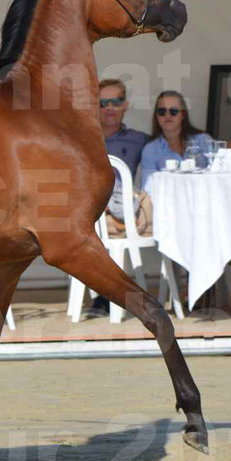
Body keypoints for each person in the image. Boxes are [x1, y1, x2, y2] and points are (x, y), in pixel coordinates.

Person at [91, 78, 149, 315]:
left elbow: (171, 148)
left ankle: (107, 295)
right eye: (103, 103)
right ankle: (103, 295)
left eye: (116, 101)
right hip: (88, 211)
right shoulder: (81, 135)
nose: (110, 108)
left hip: (122, 211)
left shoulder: (139, 139)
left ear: (125, 105)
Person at [140, 89, 212, 190]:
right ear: (156, 116)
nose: (167, 116)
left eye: (173, 111)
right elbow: (148, 188)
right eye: (162, 111)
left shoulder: (203, 140)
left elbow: (218, 174)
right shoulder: (150, 150)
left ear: (183, 115)